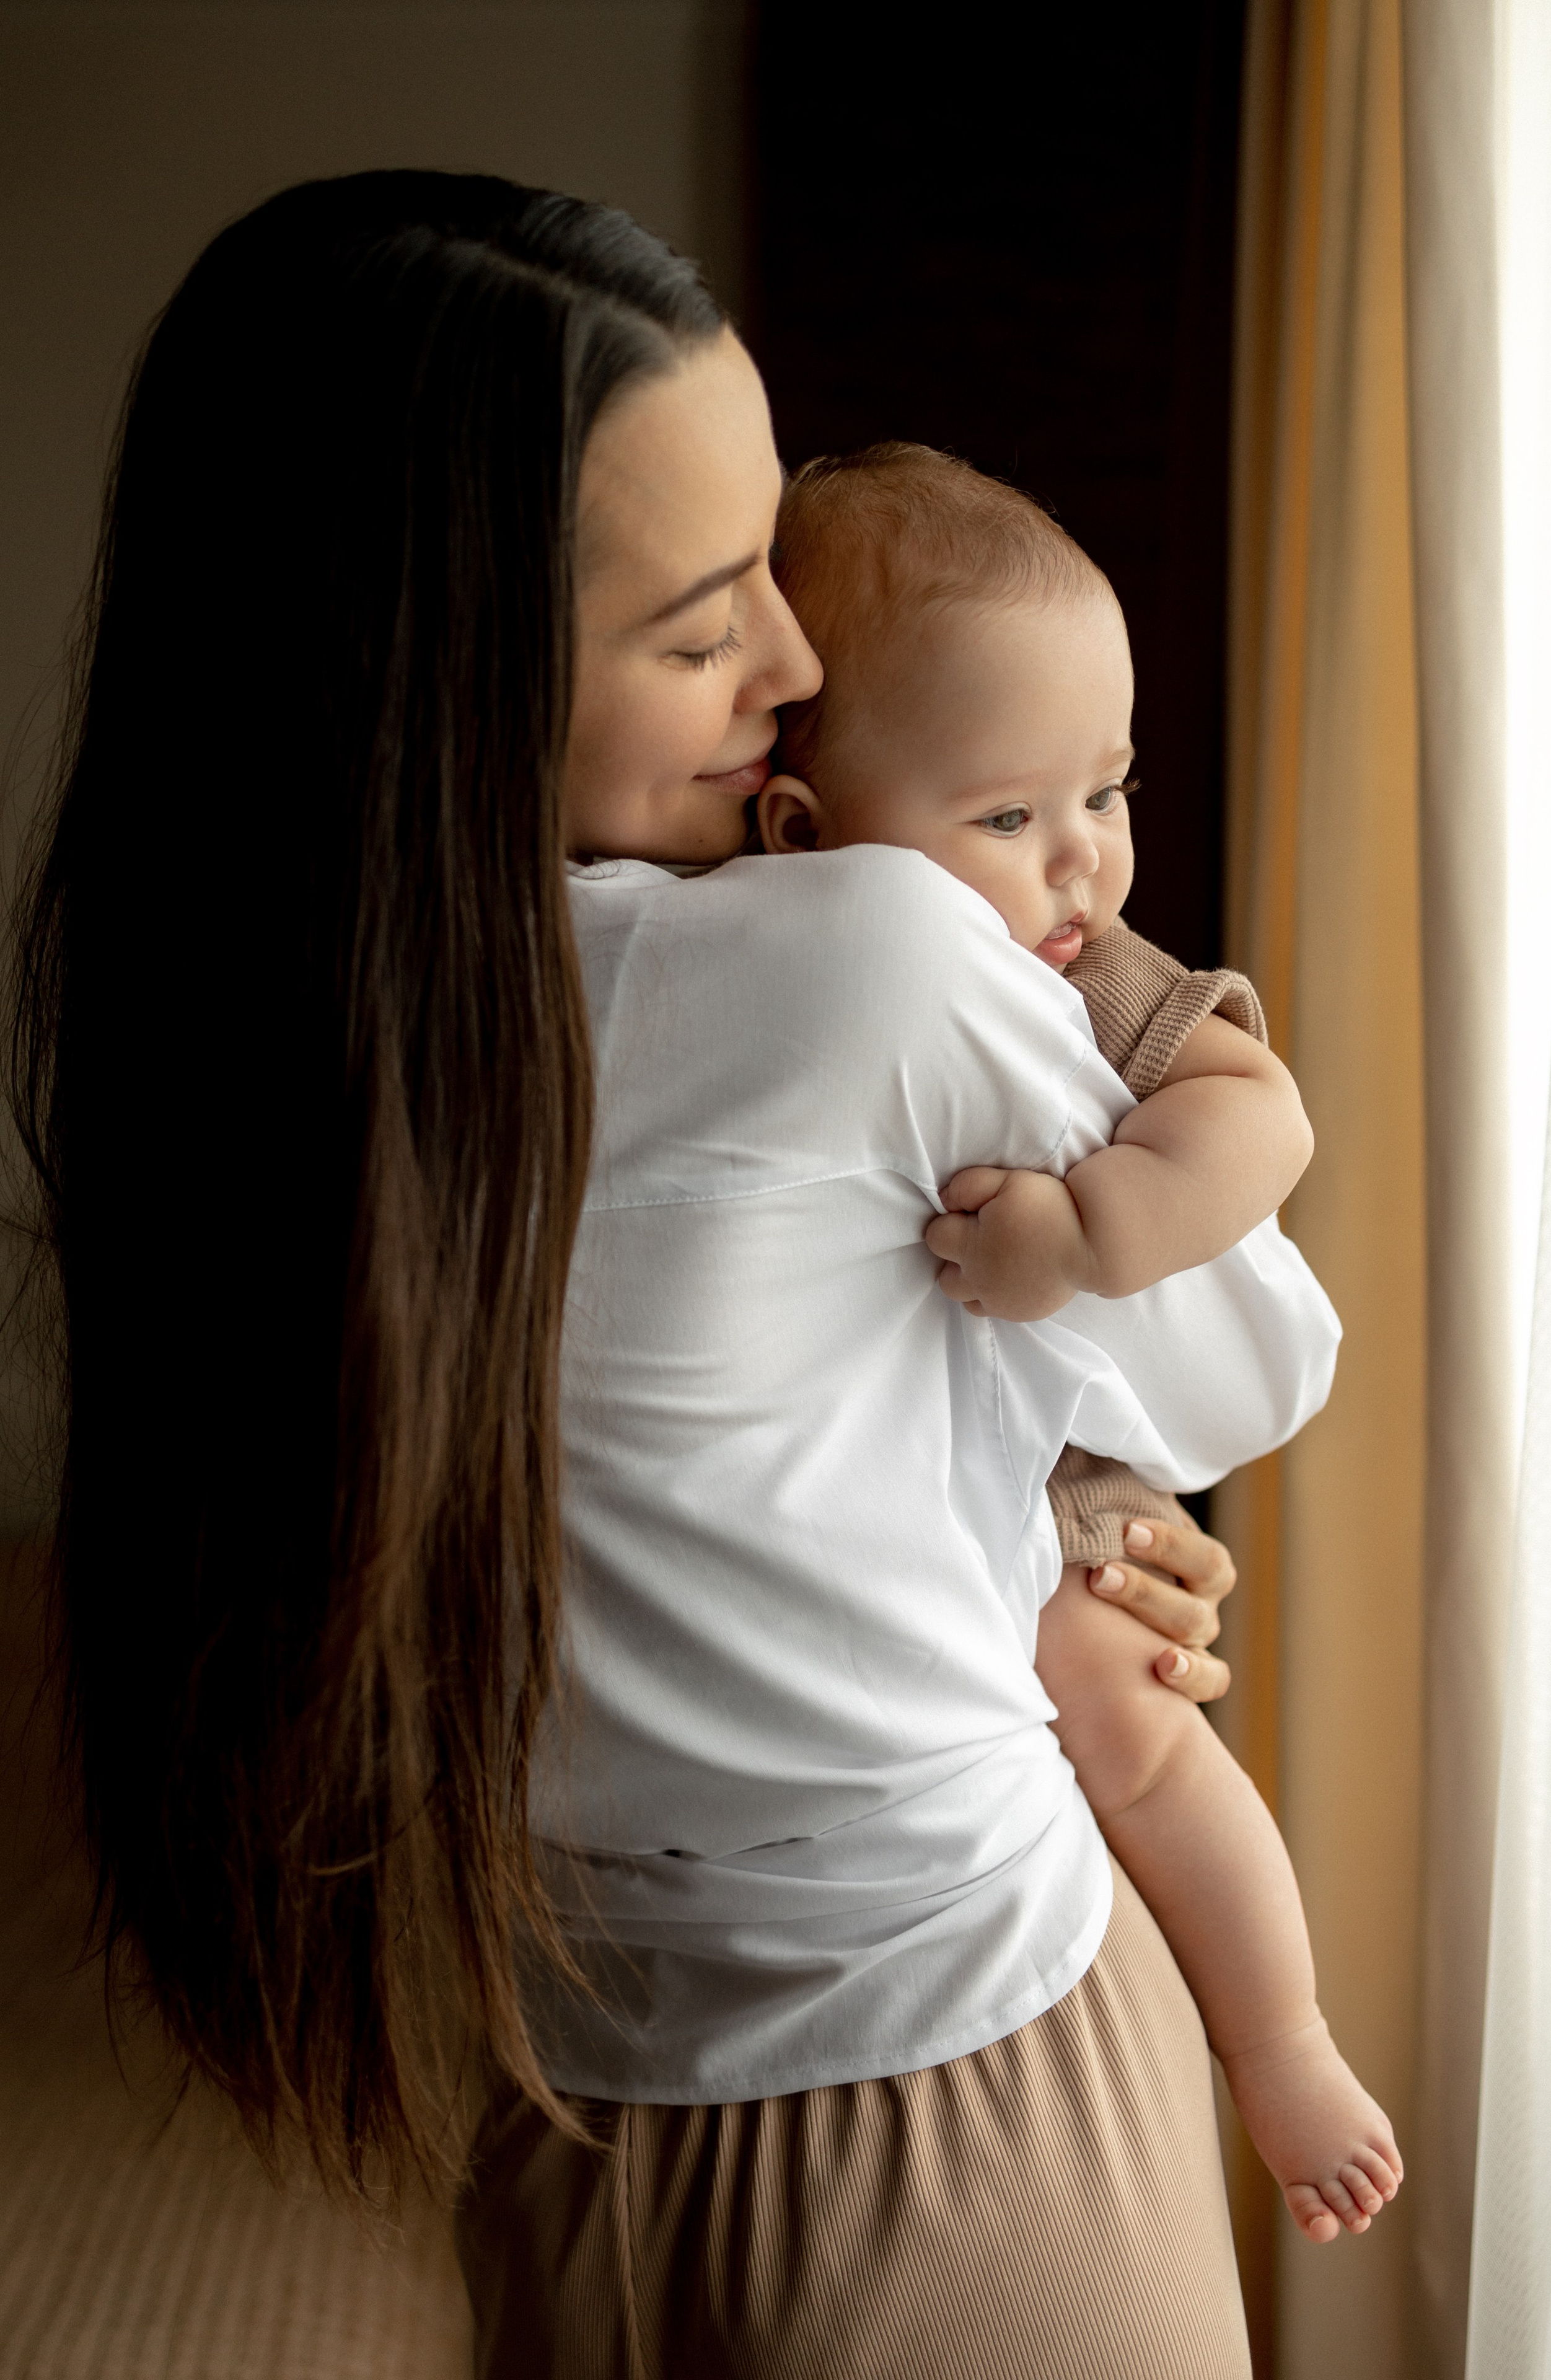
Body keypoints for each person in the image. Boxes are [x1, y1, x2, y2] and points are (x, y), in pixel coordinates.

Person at [6, 171, 1310, 2379]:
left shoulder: (206, 1055)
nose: (799, 674)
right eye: (707, 627)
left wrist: (1025, 1498)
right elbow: (1247, 1359)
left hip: (533, 2076)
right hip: (935, 2066)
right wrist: (1082, 1485)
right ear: (444, 676)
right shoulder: (875, 950)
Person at [755, 441, 1404, 2243]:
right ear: (804, 834)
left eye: (1107, 792)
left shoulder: (1086, 968)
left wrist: (1095, 1227)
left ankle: (1280, 2044)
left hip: (1063, 1463)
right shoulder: (743, 952)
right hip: (857, 1498)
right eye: (1009, 815)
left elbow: (1259, 1117)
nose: (1084, 863)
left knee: (1126, 1713)